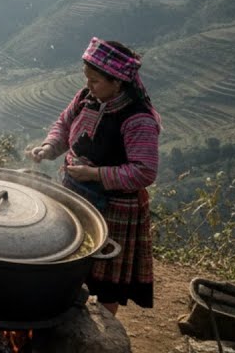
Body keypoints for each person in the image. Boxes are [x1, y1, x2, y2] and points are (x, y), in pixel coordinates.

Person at [28, 38, 161, 315]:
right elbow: (64, 125)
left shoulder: (137, 119)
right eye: (87, 78)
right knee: (70, 261)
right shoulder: (86, 99)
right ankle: (67, 314)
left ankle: (103, 332)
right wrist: (49, 147)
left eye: (96, 81)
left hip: (114, 208)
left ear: (118, 83)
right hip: (75, 193)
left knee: (105, 278)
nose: (88, 85)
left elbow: (144, 171)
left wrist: (95, 174)